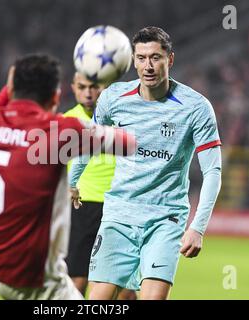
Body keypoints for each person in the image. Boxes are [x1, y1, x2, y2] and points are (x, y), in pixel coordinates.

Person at [0, 54, 136, 300]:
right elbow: (128, 143)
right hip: (26, 274)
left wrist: (6, 92)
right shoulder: (60, 132)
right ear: (56, 97)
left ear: (10, 88)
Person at [69, 26, 222, 300]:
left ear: (170, 59)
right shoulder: (114, 99)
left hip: (165, 218)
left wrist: (197, 227)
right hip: (118, 215)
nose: (148, 66)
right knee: (97, 299)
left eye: (155, 57)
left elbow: (212, 170)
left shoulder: (196, 108)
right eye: (141, 58)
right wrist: (72, 182)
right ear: (133, 61)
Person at [65, 72, 136, 300]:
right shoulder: (66, 122)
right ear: (73, 88)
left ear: (104, 88)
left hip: (118, 207)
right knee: (77, 280)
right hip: (81, 207)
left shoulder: (122, 116)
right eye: (82, 87)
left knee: (125, 290)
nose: (88, 92)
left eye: (94, 86)